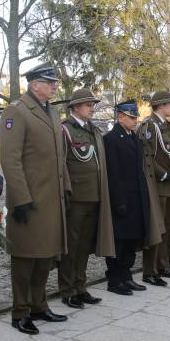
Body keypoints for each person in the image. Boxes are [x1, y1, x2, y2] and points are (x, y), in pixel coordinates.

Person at [0, 63, 69, 335]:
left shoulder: (51, 111)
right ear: (34, 84)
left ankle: (39, 305)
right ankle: (20, 312)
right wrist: (20, 199)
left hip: (51, 200)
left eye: (55, 82)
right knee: (25, 259)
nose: (54, 86)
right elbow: (10, 159)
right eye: (49, 81)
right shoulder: (17, 111)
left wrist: (67, 187)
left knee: (45, 257)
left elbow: (58, 155)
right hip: (28, 201)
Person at [58, 89, 115, 308]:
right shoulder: (65, 130)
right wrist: (66, 193)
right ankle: (67, 290)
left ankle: (80, 287)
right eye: (87, 104)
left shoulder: (93, 130)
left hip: (94, 196)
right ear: (75, 108)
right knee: (71, 247)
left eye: (92, 104)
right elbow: (62, 164)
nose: (92, 107)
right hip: (76, 198)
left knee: (84, 247)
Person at [103, 100, 162, 295]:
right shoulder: (111, 139)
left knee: (132, 240)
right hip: (122, 199)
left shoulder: (134, 138)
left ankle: (126, 276)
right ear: (121, 117)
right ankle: (114, 279)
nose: (135, 121)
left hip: (137, 198)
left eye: (135, 117)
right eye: (131, 117)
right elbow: (113, 173)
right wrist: (118, 201)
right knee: (119, 241)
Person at [139, 90, 170, 285]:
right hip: (158, 184)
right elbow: (147, 155)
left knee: (166, 227)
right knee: (156, 228)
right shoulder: (150, 126)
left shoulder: (166, 126)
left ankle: (162, 265)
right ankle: (150, 271)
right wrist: (164, 173)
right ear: (161, 105)